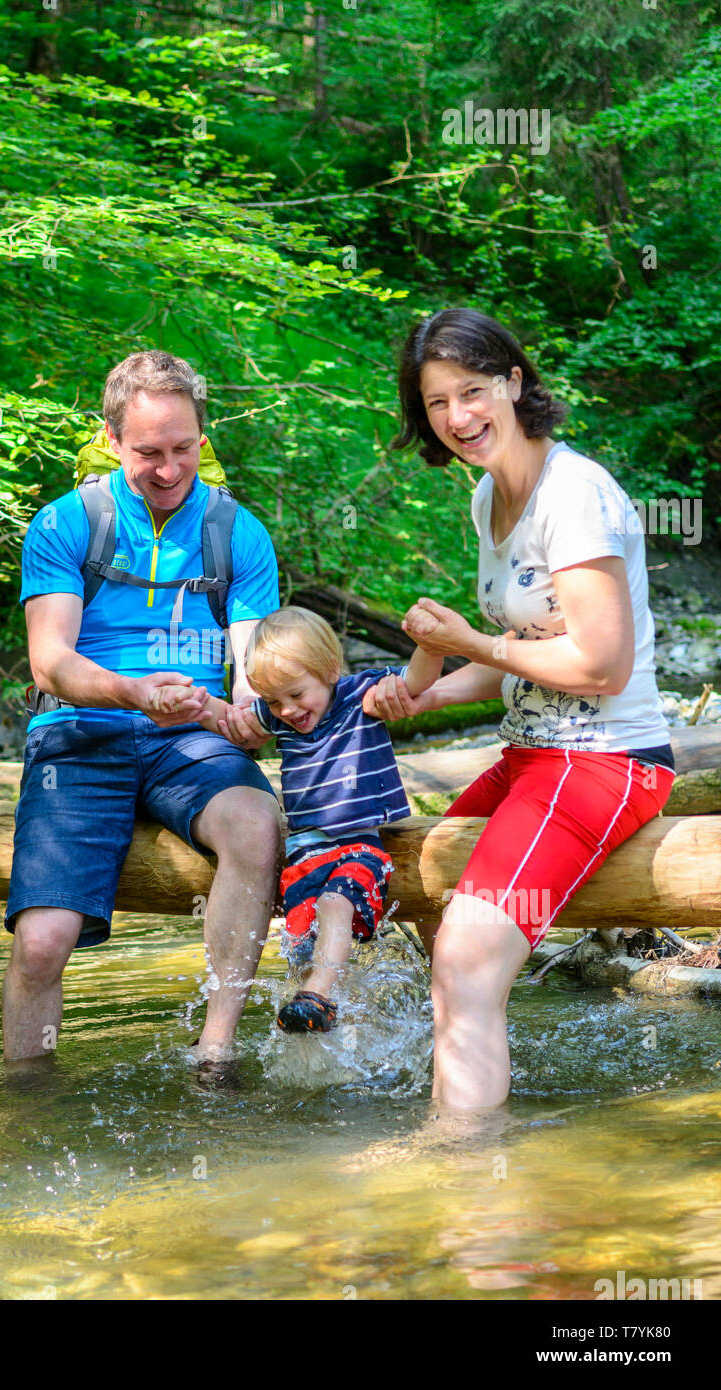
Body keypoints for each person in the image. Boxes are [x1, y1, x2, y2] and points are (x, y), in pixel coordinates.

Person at [363, 307, 676, 1110]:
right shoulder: (486, 500)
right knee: (420, 898)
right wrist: (431, 688)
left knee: (466, 954)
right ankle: (481, 1077)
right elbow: (524, 661)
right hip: (530, 756)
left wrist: (475, 641)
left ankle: (465, 1175)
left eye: (473, 391)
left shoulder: (575, 496)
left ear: (514, 382)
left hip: (605, 760)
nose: (458, 418)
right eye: (437, 403)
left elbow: (601, 666)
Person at [3, 349, 281, 1065]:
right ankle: (26, 1105)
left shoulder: (237, 532)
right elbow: (51, 663)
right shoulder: (65, 525)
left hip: (188, 738)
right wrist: (135, 692)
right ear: (111, 438)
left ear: (203, 436)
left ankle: (214, 1052)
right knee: (40, 944)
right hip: (79, 735)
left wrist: (248, 710)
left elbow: (252, 670)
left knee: (256, 822)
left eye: (184, 448)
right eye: (148, 452)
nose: (168, 469)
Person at [198, 606, 443, 1032]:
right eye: (273, 700)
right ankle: (318, 1021)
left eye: (296, 695)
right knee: (300, 940)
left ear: (330, 669)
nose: (287, 710)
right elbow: (233, 723)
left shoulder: (360, 695)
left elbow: (417, 681)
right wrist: (196, 707)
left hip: (359, 846)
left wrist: (430, 643)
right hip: (303, 855)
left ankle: (319, 994)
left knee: (335, 903)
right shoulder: (276, 715)